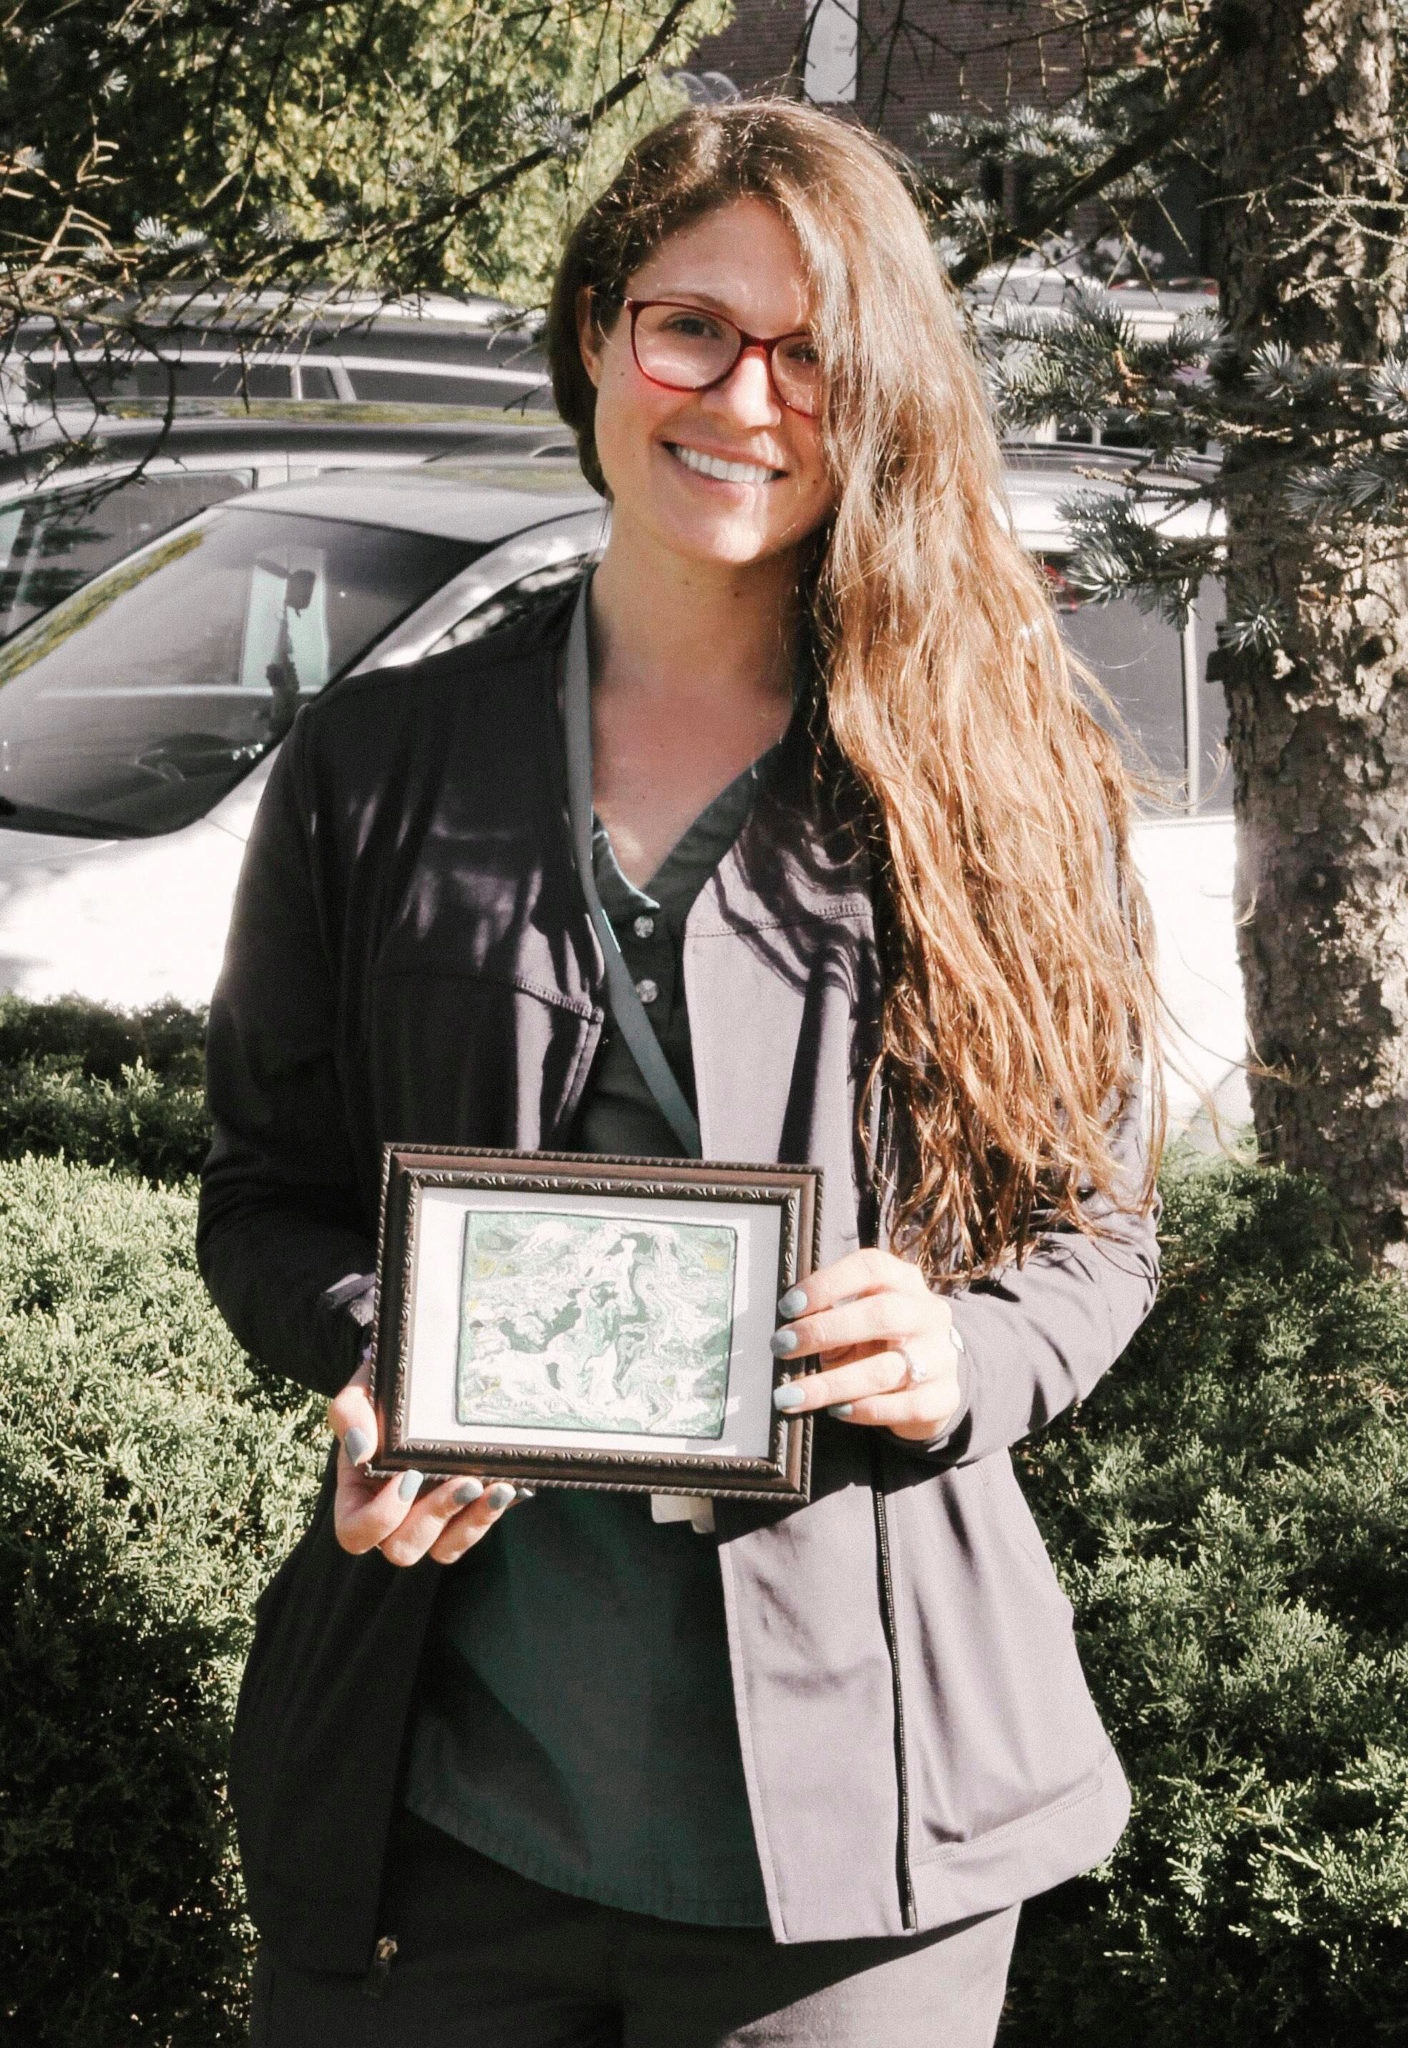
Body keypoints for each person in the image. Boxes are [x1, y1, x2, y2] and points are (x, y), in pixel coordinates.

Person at [198, 98, 1163, 2048]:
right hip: (437, 1812)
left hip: (862, 1843)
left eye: (810, 352)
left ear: (874, 395)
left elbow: (1093, 1231)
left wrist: (962, 1355)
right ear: (590, 338)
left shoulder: (1000, 773)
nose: (744, 396)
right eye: (689, 328)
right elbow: (266, 1192)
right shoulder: (376, 766)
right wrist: (386, 1345)